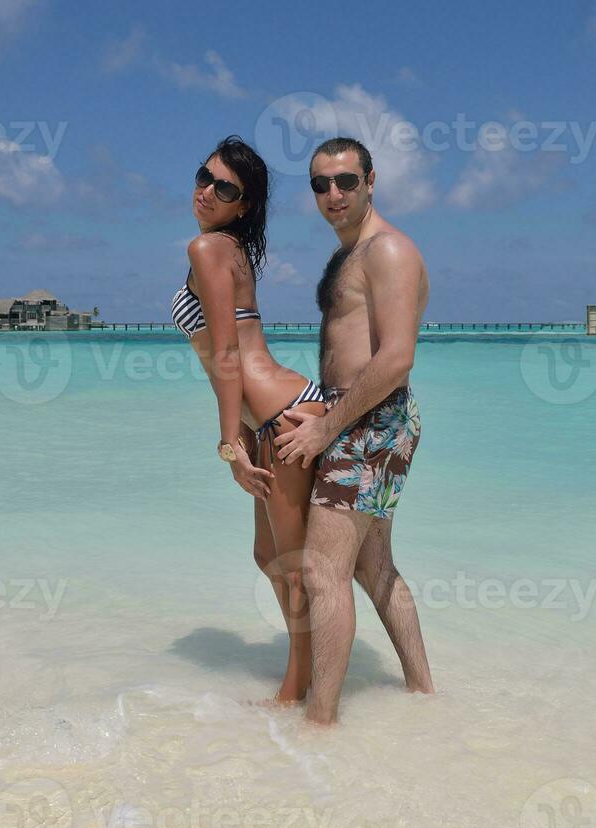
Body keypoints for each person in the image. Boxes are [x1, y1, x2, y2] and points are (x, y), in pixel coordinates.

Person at [274, 137, 436, 725]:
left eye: (346, 181)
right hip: (364, 419)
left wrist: (325, 431)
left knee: (323, 571)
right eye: (320, 184)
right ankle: (424, 696)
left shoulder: (388, 251)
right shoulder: (350, 255)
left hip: (370, 421)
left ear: (372, 180)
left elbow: (395, 359)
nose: (333, 195)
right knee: (372, 568)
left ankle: (320, 724)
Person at [173, 135, 327, 705]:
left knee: (290, 564)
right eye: (203, 176)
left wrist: (228, 444)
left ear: (244, 205)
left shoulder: (208, 250)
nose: (207, 191)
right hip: (275, 411)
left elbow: (229, 355)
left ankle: (298, 687)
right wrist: (239, 432)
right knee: (270, 556)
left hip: (282, 418)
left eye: (225, 187)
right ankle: (311, 671)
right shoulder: (232, 250)